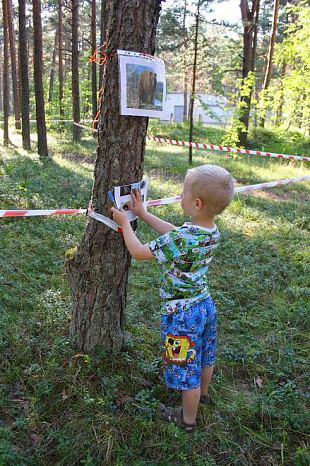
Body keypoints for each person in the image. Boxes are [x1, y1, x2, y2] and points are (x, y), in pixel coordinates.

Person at [111, 164, 234, 432]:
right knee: (204, 356)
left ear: (197, 203)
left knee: (185, 368)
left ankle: (187, 419)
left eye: (183, 194)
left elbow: (139, 252)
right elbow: (173, 234)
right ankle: (203, 394)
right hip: (204, 306)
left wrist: (125, 225)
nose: (180, 197)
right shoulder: (210, 231)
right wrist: (142, 213)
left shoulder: (184, 237)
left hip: (182, 315)